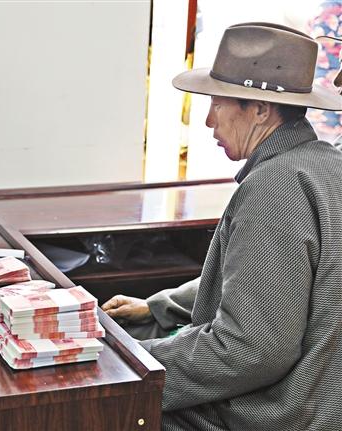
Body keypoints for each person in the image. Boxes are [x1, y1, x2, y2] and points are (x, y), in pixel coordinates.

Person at [102, 23, 342, 430]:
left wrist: (128, 366)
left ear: (261, 110)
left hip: (282, 414)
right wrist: (159, 307)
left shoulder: (275, 187)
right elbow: (263, 279)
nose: (209, 120)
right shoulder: (324, 164)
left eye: (217, 103)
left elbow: (251, 351)